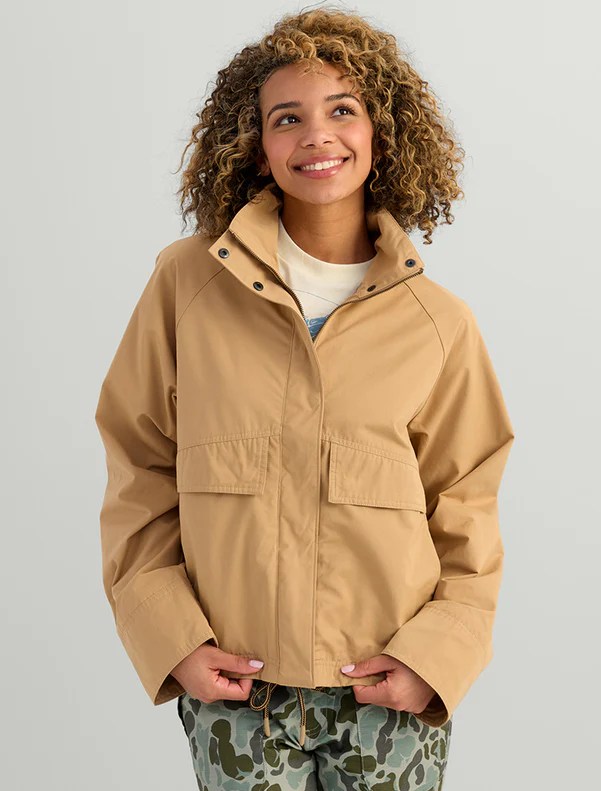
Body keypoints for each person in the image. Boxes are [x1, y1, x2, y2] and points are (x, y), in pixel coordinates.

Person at [94, 6, 515, 790]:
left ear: (383, 132)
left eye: (343, 110)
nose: (317, 136)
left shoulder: (438, 323)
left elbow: (468, 507)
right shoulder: (188, 285)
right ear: (256, 145)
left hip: (388, 694)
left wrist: (436, 656)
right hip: (236, 691)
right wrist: (171, 635)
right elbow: (139, 467)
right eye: (287, 118)